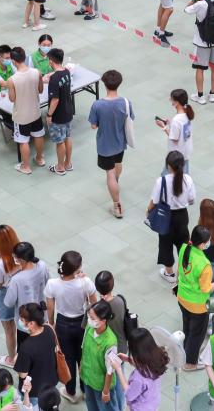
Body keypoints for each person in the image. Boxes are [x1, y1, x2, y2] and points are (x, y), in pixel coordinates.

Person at [44, 251, 97, 403]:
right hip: (82, 323)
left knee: (68, 359)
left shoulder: (52, 284)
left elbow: (50, 308)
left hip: (63, 324)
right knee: (83, 357)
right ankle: (86, 390)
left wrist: (51, 323)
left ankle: (70, 391)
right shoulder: (85, 282)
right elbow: (95, 304)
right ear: (75, 270)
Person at [88, 70, 133, 219]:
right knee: (118, 163)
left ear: (105, 84)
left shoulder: (98, 105)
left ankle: (117, 205)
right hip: (120, 142)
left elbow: (93, 125)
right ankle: (116, 182)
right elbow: (130, 118)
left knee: (110, 173)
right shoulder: (126, 102)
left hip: (105, 145)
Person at [150, 151, 195, 283]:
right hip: (182, 216)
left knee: (165, 244)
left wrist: (148, 211)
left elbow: (154, 201)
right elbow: (192, 199)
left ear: (168, 166)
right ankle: (184, 272)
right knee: (183, 243)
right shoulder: (187, 180)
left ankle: (169, 273)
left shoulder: (161, 181)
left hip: (166, 217)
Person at [6, 46, 46, 175]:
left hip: (21, 116)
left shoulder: (12, 80)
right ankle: (40, 159)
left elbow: (12, 99)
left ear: (13, 61)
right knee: (38, 135)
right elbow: (41, 90)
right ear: (24, 57)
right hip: (35, 112)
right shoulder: (37, 72)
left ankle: (26, 166)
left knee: (23, 141)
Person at [14, 302, 60, 405]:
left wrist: (16, 360)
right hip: (51, 383)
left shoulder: (26, 347)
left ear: (31, 323)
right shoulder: (49, 329)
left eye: (22, 320)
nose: (20, 322)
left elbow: (22, 374)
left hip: (34, 391)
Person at [4, 242, 51, 344]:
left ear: (21, 260)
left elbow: (8, 303)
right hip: (42, 316)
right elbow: (48, 283)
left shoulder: (16, 279)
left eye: (15, 256)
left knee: (25, 348)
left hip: (25, 322)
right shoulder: (42, 266)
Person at [0, 224, 21, 367]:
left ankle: (12, 358)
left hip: (5, 294)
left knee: (9, 330)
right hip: (21, 292)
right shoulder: (22, 253)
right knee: (23, 326)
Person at [45, 48, 74, 175]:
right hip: (68, 111)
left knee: (59, 141)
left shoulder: (54, 78)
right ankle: (68, 163)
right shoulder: (66, 72)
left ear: (51, 61)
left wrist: (49, 114)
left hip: (58, 115)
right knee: (67, 137)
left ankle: (60, 167)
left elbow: (55, 100)